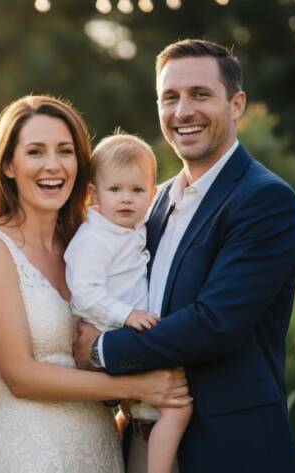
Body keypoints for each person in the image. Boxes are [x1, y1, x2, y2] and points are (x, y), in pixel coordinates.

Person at [73, 39, 295, 472]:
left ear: (236, 104)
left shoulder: (264, 199)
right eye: (170, 97)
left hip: (228, 448)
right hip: (142, 440)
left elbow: (215, 324)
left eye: (200, 95)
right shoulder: (153, 203)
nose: (182, 112)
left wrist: (102, 350)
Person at [0, 95, 192, 473]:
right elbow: (20, 376)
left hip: (97, 438)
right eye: (36, 152)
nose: (53, 165)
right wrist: (136, 388)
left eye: (65, 151)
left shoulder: (91, 237)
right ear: (9, 164)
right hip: (32, 442)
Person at [64, 133, 191, 473]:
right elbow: (84, 292)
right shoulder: (95, 237)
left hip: (127, 332)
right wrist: (127, 314)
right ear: (94, 194)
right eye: (115, 190)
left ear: (152, 195)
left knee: (131, 409)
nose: (126, 199)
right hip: (110, 330)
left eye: (137, 191)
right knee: (178, 408)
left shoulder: (131, 226)